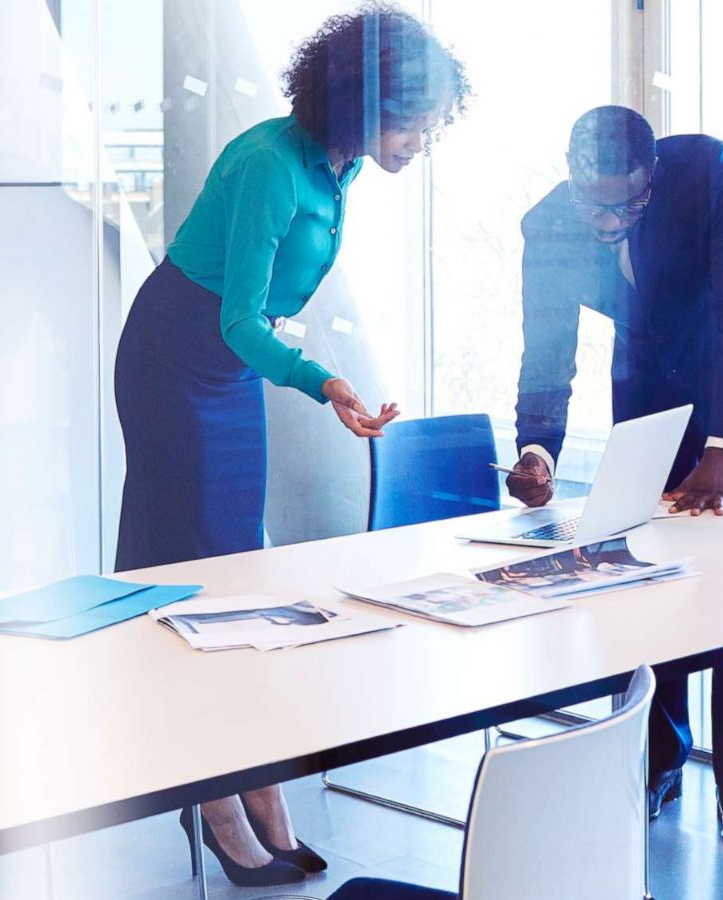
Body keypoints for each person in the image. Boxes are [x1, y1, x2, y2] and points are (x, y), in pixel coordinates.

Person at [113, 6, 467, 887]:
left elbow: (255, 319)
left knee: (241, 580)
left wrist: (309, 375)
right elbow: (238, 317)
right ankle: (216, 798)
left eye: (432, 120)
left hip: (228, 369)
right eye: (413, 117)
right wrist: (326, 384)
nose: (423, 138)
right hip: (175, 360)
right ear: (363, 100)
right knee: (196, 590)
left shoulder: (339, 162)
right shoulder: (272, 163)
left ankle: (258, 783)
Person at [506, 106, 723, 852]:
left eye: (625, 205)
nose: (607, 222)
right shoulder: (548, 226)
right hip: (645, 392)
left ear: (652, 175)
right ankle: (662, 757)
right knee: (640, 576)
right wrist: (539, 452)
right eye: (591, 203)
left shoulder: (710, 175)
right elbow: (546, 351)